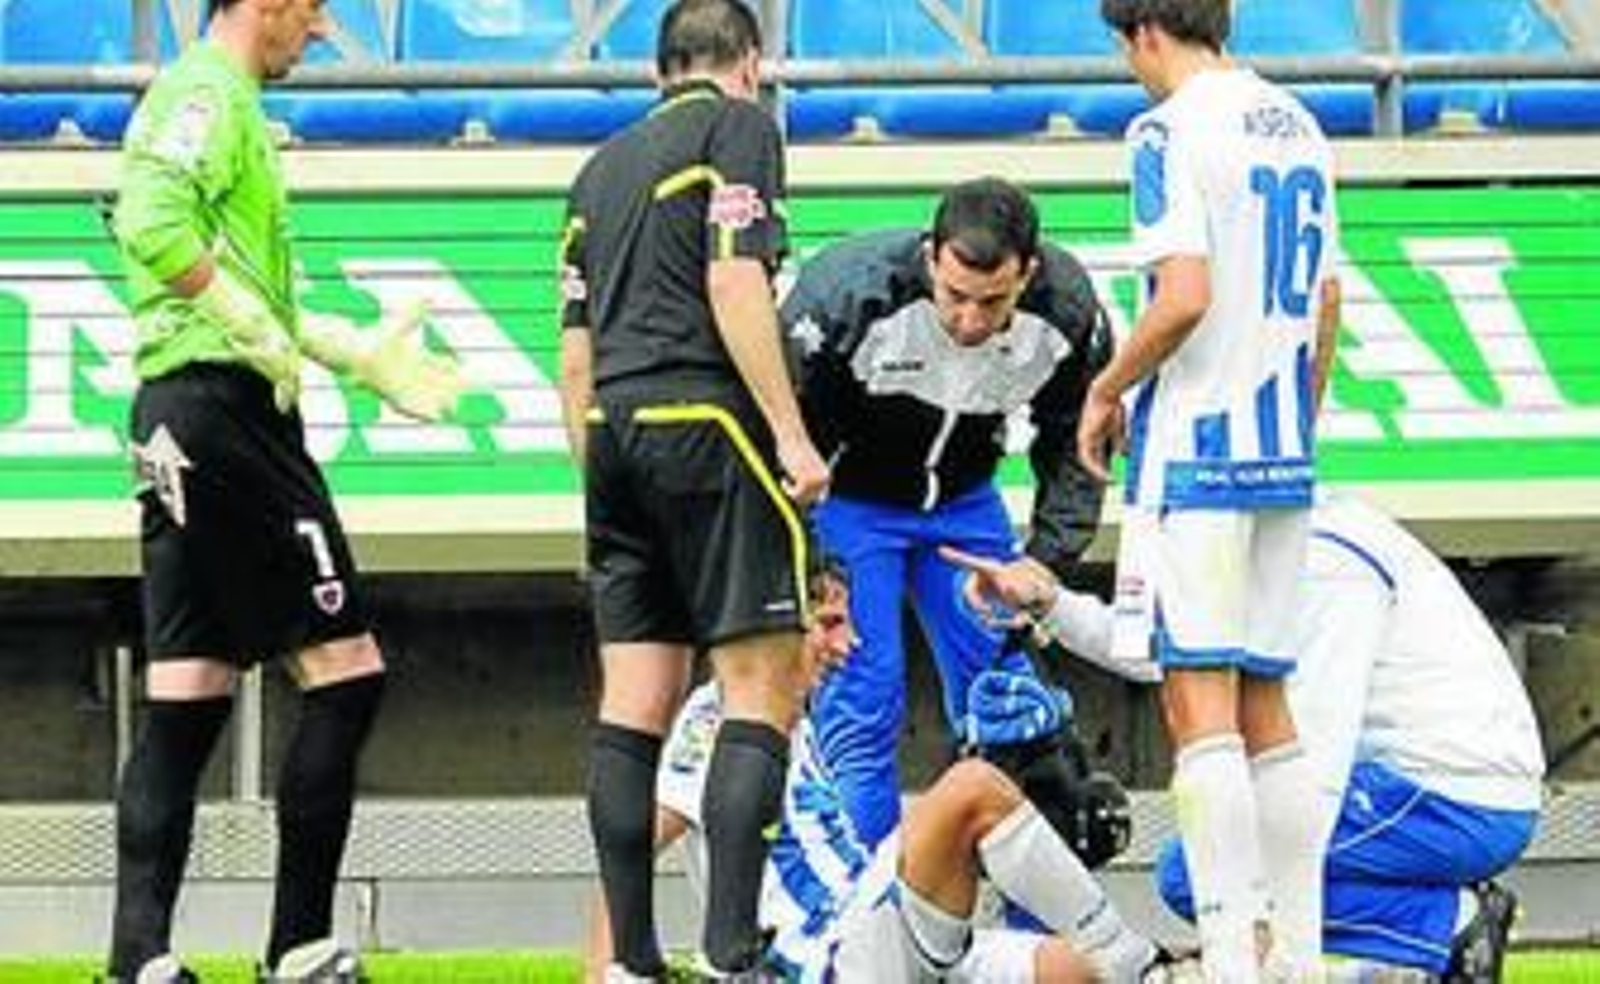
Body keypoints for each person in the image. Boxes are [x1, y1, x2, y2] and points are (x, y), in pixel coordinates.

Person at [108, 1, 464, 982]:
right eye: (311, 10)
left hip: (177, 414)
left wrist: (348, 351)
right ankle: (297, 947)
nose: (317, 31)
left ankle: (138, 958)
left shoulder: (221, 104)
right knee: (347, 672)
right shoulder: (206, 96)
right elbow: (150, 221)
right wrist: (244, 324)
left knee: (188, 690)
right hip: (227, 415)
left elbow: (237, 285)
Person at [946, 493, 1545, 983]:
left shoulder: (1326, 560)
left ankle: (1448, 926)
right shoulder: (1264, 537)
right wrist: (1052, 605)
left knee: (1204, 873)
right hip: (1419, 787)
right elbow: (1179, 658)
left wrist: (1260, 911)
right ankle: (1431, 933)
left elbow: (1316, 757)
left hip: (1455, 796)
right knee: (1212, 872)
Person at [556, 0, 830, 978]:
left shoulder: (597, 171)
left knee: (635, 698)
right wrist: (790, 436)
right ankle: (732, 945)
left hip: (610, 432)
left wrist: (600, 483)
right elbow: (734, 282)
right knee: (761, 682)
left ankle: (630, 959)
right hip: (707, 420)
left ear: (658, 70)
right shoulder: (740, 130)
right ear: (750, 62)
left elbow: (575, 355)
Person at [1081, 0, 1344, 978]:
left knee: (1200, 709)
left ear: (1144, 32)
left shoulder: (1165, 131)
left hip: (1196, 452)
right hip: (1282, 452)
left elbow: (1182, 295)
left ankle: (1234, 954)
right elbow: (1326, 299)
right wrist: (1300, 422)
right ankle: (1297, 956)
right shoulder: (1298, 122)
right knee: (1268, 707)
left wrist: (1107, 387)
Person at [586, 570, 1194, 984]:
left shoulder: (797, 717)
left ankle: (1143, 964)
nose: (848, 642)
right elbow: (631, 851)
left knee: (1079, 971)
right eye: (829, 623)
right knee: (973, 787)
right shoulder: (718, 716)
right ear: (780, 624)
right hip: (818, 956)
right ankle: (1141, 964)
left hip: (870, 924)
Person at [782, 177, 1113, 847]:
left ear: (1028, 273)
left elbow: (1077, 441)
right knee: (863, 700)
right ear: (931, 257)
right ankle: (858, 897)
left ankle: (1032, 903)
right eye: (954, 296)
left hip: (965, 507)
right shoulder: (848, 296)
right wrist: (811, 564)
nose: (969, 321)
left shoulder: (1068, 309)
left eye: (993, 302)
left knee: (1015, 705)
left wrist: (1043, 560)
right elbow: (785, 437)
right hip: (850, 505)